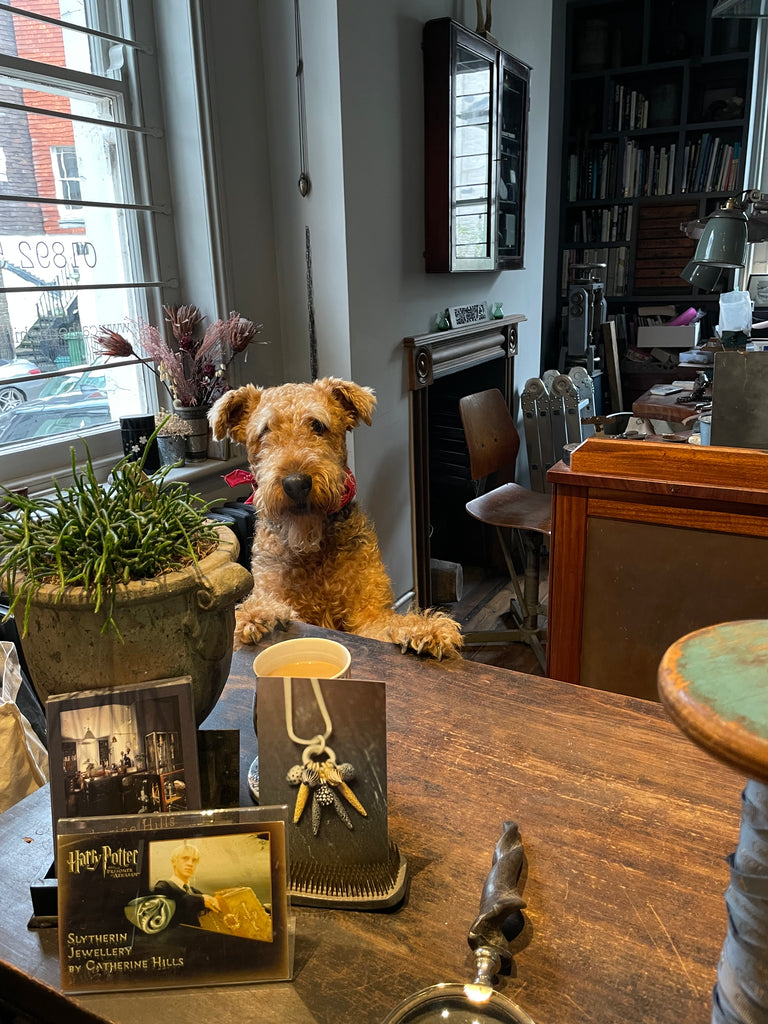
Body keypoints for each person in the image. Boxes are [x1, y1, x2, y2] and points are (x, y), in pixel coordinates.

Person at [152, 843, 221, 927]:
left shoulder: (196, 892)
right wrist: (200, 901)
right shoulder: (163, 887)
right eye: (185, 858)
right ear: (174, 862)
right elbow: (164, 917)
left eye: (194, 860)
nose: (190, 864)